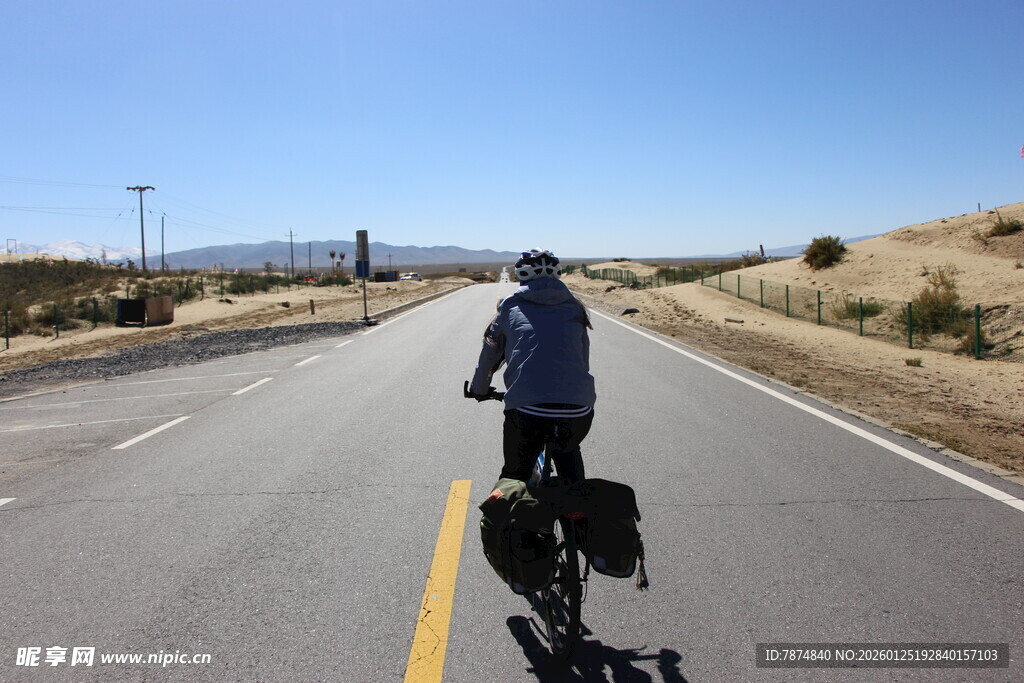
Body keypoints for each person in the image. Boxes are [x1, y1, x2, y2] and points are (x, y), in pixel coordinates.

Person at [469, 249, 596, 483]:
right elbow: (582, 360)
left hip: (528, 411)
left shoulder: (509, 308)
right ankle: (577, 512)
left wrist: (479, 389)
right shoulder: (576, 307)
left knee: (514, 476)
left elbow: (489, 355)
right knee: (568, 453)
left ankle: (508, 515)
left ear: (522, 275)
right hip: (578, 409)